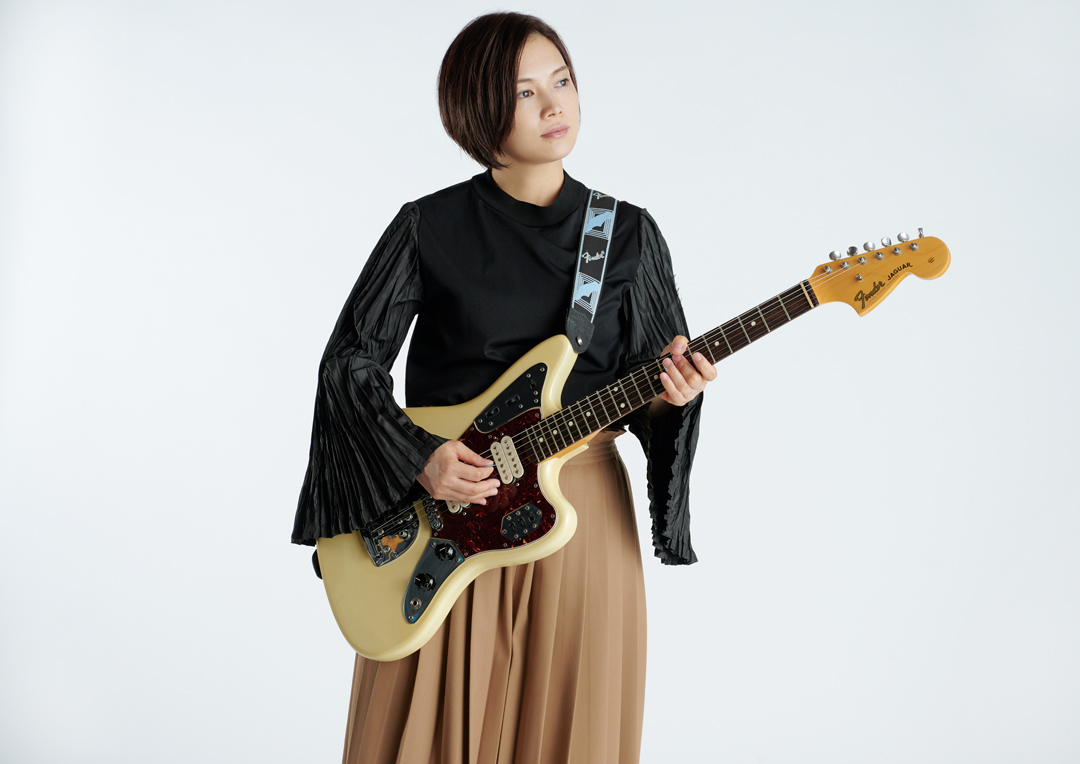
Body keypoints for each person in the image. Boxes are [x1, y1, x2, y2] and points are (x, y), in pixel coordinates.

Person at [292, 12, 716, 764]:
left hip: (582, 513)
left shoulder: (628, 235)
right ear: (477, 110)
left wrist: (671, 397)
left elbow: (652, 398)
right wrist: (420, 455)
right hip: (450, 510)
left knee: (573, 734)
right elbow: (349, 363)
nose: (555, 105)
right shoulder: (427, 226)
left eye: (563, 81)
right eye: (526, 92)